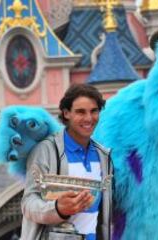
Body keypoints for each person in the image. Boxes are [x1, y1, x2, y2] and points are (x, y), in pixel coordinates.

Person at [20, 84, 112, 240]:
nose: (89, 118)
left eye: (94, 111)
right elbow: (28, 204)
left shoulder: (104, 156)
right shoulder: (46, 151)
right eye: (81, 112)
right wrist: (57, 209)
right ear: (66, 113)